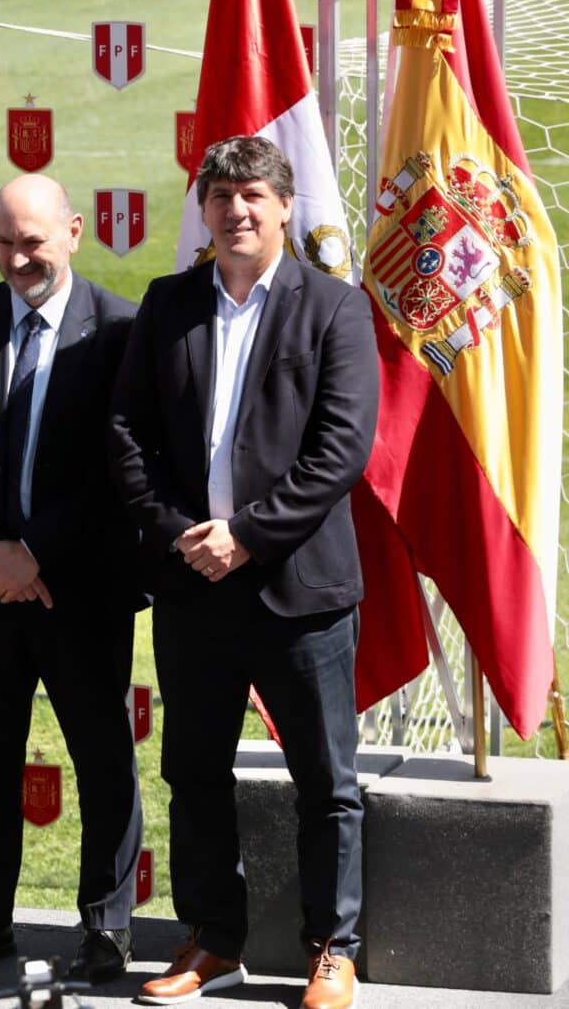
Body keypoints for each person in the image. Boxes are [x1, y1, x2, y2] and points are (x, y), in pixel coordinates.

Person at [108, 136, 377, 1009]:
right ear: (204, 209)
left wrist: (248, 537)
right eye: (221, 196)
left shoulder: (333, 307)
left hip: (299, 592)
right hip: (194, 586)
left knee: (325, 782)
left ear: (285, 205)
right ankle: (213, 941)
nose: (236, 211)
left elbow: (341, 450)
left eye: (253, 194)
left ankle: (333, 947)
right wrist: (181, 534)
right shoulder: (168, 303)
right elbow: (128, 434)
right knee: (194, 773)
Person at [0, 173, 143, 983]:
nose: (19, 259)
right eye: (5, 243)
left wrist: (37, 552)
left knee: (102, 758)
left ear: (74, 232)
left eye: (35, 242)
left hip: (81, 591)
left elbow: (119, 466)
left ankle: (107, 928)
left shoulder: (119, 329)